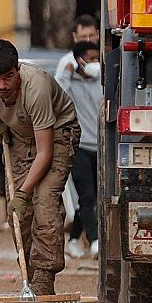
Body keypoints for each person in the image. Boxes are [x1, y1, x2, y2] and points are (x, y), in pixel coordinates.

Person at [0, 39, 80, 297]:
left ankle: (43, 278)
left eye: (8, 77)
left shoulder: (36, 88)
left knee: (43, 201)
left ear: (18, 69)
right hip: (20, 135)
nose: (2, 86)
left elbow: (45, 152)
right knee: (18, 214)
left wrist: (23, 192)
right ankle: (28, 275)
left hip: (57, 134)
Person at [57, 40, 103, 259]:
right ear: (79, 61)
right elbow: (57, 98)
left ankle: (74, 239)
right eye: (91, 59)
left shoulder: (101, 82)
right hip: (79, 147)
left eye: (97, 58)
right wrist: (66, 75)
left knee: (91, 199)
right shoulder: (70, 83)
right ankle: (94, 241)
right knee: (86, 195)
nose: (95, 63)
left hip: (100, 147)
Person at [55, 14, 101, 81]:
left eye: (91, 35)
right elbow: (59, 88)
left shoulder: (105, 58)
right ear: (75, 37)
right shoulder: (66, 62)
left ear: (97, 34)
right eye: (83, 36)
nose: (88, 40)